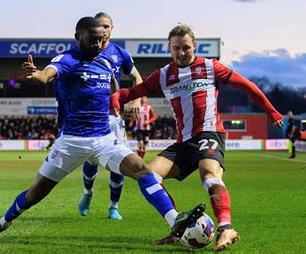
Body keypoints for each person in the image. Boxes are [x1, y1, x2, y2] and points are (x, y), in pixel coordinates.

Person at [0, 17, 204, 242]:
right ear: (78, 37)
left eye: (102, 40)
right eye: (93, 40)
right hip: (71, 142)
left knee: (142, 170)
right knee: (35, 194)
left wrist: (119, 104)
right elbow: (46, 75)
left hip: (104, 139)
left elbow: (113, 90)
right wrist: (35, 74)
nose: (98, 45)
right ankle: (2, 223)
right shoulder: (66, 60)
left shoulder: (105, 62)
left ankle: (175, 220)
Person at [112, 24, 283, 251]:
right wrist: (116, 98)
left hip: (209, 132)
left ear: (195, 46)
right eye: (176, 49)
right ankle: (177, 227)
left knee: (209, 175)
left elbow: (248, 86)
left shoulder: (211, 67)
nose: (181, 53)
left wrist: (270, 110)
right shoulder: (163, 75)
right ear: (169, 49)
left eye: (186, 48)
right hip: (183, 142)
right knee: (148, 175)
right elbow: (131, 93)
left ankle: (226, 228)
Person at [77, 12, 144, 221]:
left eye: (106, 26)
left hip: (114, 117)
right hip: (91, 116)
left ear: (112, 29)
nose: (103, 30)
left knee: (119, 161)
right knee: (92, 161)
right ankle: (88, 193)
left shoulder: (119, 53)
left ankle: (113, 207)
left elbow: (137, 77)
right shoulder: (84, 53)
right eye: (99, 27)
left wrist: (135, 100)